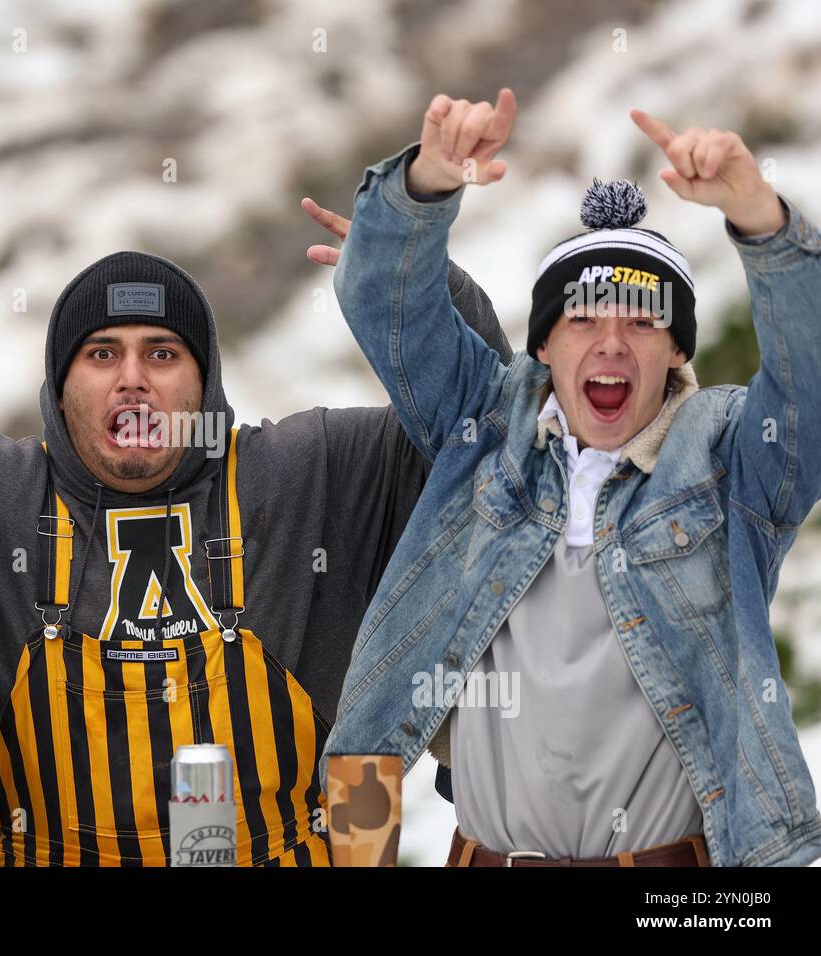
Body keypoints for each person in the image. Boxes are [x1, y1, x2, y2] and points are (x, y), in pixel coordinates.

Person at [0, 209, 512, 865]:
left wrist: (420, 285)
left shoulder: (313, 474)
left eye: (162, 352)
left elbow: (481, 431)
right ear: (60, 386)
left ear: (204, 378)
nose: (133, 379)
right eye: (101, 354)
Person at [324, 87, 821, 866]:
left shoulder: (731, 462)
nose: (613, 344)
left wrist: (762, 222)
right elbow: (382, 301)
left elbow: (811, 384)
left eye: (643, 319)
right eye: (584, 317)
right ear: (545, 347)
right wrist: (426, 185)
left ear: (679, 349)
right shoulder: (484, 429)